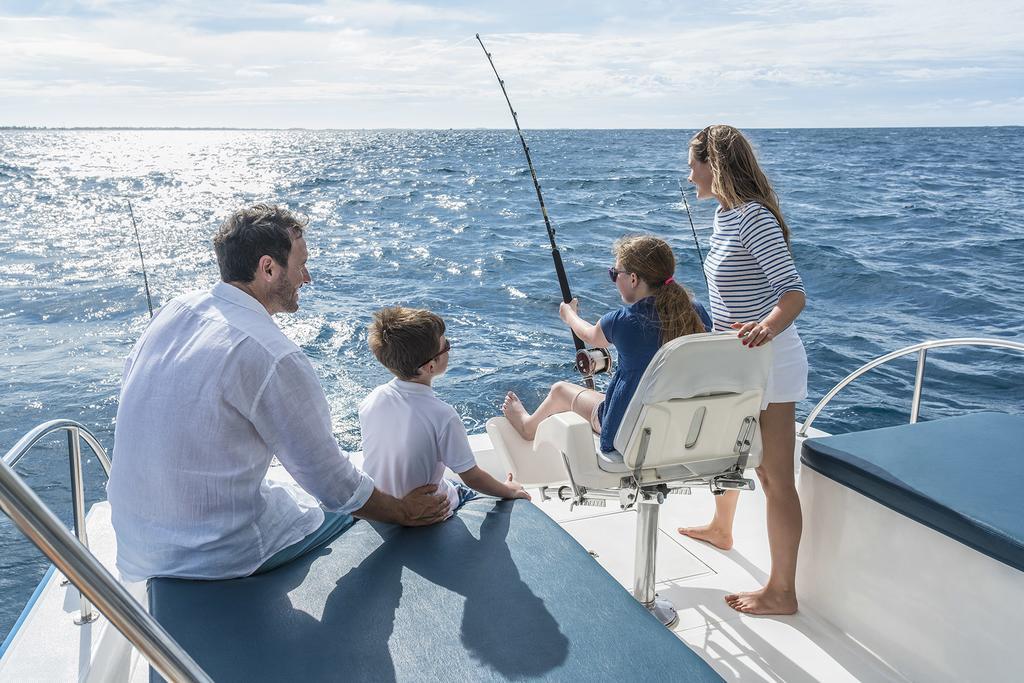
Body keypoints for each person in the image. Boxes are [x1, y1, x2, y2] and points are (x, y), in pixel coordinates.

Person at [107, 204, 449, 582]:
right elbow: (334, 485)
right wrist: (404, 511)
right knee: (354, 516)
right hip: (213, 554)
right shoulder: (273, 354)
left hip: (137, 544)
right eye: (301, 264)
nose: (308, 277)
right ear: (268, 268)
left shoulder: (175, 310)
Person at [678, 125, 808, 615]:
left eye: (694, 164)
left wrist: (764, 329)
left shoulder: (754, 218)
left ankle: (782, 591)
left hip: (772, 361)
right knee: (731, 455)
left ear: (715, 165)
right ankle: (722, 527)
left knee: (776, 478)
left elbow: (792, 294)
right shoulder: (723, 216)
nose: (688, 174)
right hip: (737, 361)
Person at [502, 235, 712, 451]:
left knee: (560, 391)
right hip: (683, 426)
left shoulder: (624, 321)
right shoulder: (695, 311)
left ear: (633, 279)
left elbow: (589, 335)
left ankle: (527, 427)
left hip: (625, 431)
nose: (613, 278)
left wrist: (569, 315)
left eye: (614, 273)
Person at [360, 306, 531, 514]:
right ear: (430, 367)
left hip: (382, 504)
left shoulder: (371, 399)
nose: (450, 348)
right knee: (473, 493)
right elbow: (472, 477)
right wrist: (509, 490)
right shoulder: (442, 415)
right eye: (446, 345)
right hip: (430, 507)